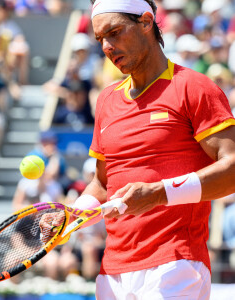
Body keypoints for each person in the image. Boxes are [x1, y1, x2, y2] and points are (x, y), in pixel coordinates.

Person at [40, 0, 235, 299]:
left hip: (176, 264)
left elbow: (232, 168)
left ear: (146, 22)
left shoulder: (195, 87)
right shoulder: (106, 101)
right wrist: (71, 216)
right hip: (112, 272)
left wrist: (159, 193)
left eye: (115, 32)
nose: (106, 46)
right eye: (100, 39)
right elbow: (103, 185)